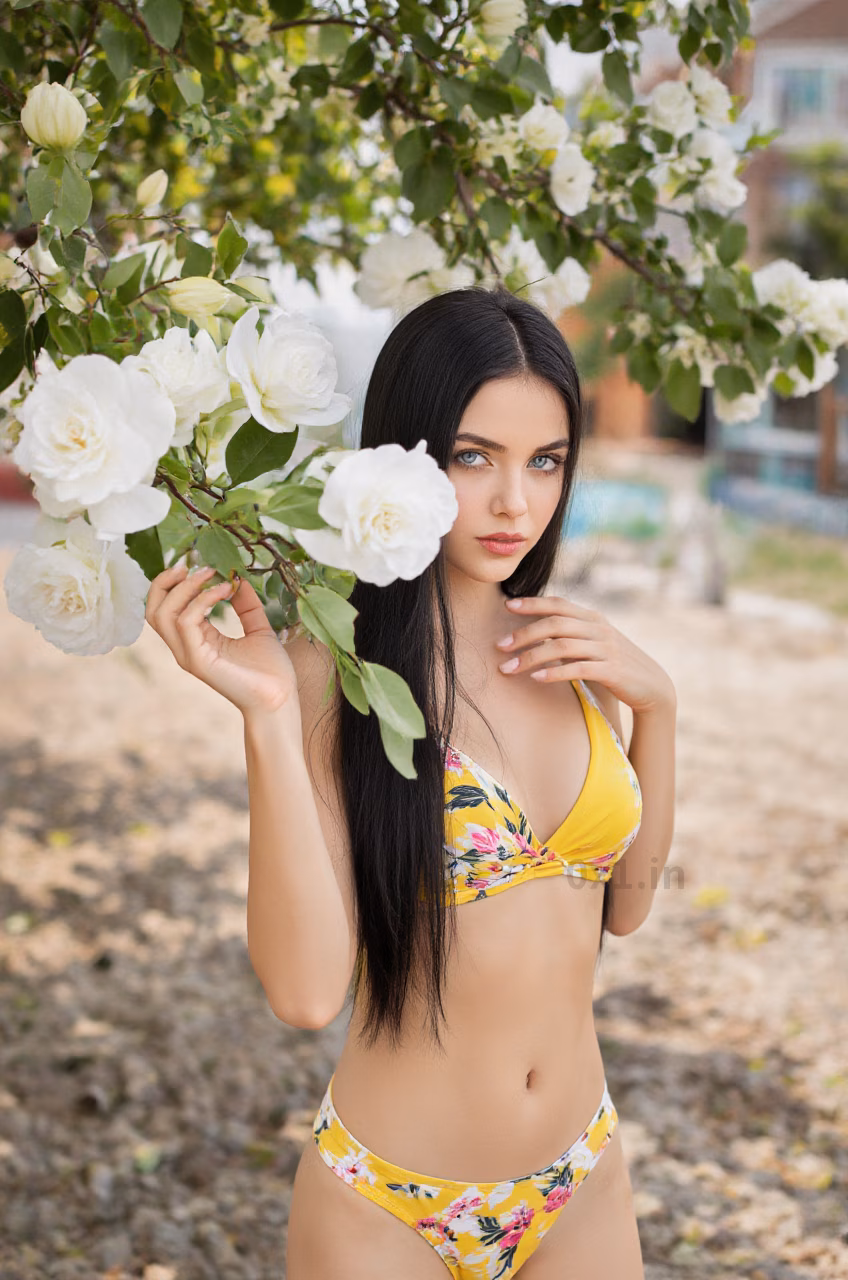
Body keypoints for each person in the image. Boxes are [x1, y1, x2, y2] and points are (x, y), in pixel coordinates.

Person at [144, 285, 677, 1279]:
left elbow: (623, 909)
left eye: (545, 460)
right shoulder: (328, 674)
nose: (515, 501)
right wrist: (264, 716)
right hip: (389, 1202)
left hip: (580, 1172)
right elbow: (305, 993)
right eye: (473, 457)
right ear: (404, 454)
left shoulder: (561, 650)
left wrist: (659, 709)